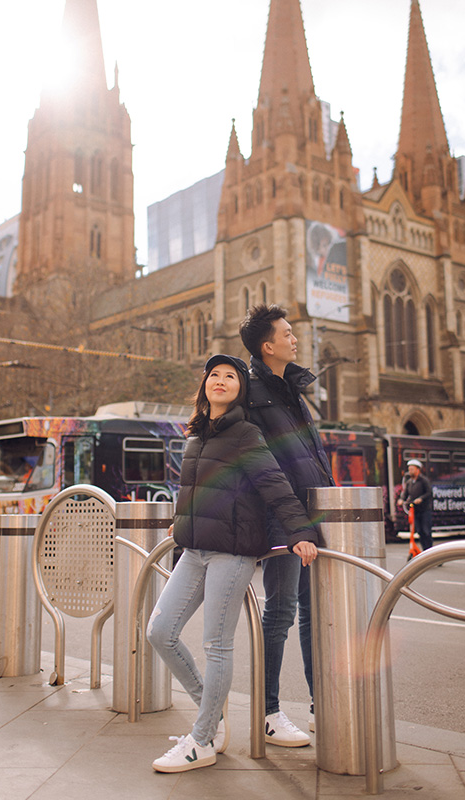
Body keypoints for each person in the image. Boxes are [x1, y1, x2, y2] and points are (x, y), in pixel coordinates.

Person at [146, 354, 322, 773]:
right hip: (194, 550)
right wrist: (179, 524)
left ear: (241, 389)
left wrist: (300, 531)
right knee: (160, 631)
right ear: (204, 385)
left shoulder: (245, 433)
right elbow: (193, 490)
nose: (221, 381)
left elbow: (273, 483)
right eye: (214, 375)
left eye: (230, 376)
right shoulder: (196, 434)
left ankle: (202, 740)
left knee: (215, 645)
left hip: (233, 550)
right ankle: (212, 713)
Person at [239, 304, 336, 747]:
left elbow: (309, 456)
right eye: (287, 332)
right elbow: (257, 464)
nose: (294, 338)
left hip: (313, 516)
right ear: (267, 345)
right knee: (279, 614)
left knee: (314, 614)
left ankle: (322, 703)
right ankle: (267, 712)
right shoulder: (252, 392)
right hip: (282, 520)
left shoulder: (291, 389)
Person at [398, 458, 433, 552]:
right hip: (415, 511)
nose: (410, 471)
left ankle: (431, 552)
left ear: (418, 470)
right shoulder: (409, 482)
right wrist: (401, 499)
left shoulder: (423, 480)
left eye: (412, 469)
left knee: (426, 532)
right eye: (409, 469)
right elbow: (405, 494)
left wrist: (421, 499)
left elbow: (429, 492)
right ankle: (425, 552)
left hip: (425, 510)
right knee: (420, 532)